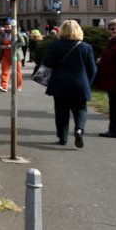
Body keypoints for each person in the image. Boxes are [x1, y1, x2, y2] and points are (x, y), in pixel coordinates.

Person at [43, 20, 97, 148]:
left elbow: (48, 63)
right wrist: (88, 83)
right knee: (81, 108)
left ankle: (63, 137)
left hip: (60, 83)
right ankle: (79, 129)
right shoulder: (86, 47)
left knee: (61, 110)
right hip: (80, 83)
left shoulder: (56, 45)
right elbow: (92, 69)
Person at [0, 21, 25, 92]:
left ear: (11, 27)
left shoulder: (17, 33)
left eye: (8, 27)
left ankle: (19, 86)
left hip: (15, 55)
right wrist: (4, 47)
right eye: (5, 27)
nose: (6, 28)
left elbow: (23, 43)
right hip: (5, 55)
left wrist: (13, 46)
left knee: (18, 71)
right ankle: (4, 86)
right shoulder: (2, 35)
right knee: (4, 71)